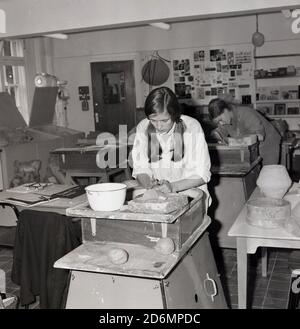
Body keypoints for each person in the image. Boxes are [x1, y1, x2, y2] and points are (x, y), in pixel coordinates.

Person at [131, 86, 211, 207]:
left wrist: (172, 186)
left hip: (191, 195)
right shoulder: (143, 127)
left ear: (174, 115)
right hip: (158, 197)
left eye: (164, 120)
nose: (158, 126)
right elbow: (140, 168)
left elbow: (202, 174)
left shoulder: (192, 127)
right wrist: (150, 185)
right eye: (153, 120)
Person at [208, 97, 281, 165]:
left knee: (267, 174)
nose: (221, 123)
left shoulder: (245, 113)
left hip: (268, 145)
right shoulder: (226, 121)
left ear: (225, 110)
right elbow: (219, 132)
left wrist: (235, 141)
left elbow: (260, 136)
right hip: (253, 148)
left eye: (220, 120)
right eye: (218, 122)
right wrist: (215, 135)